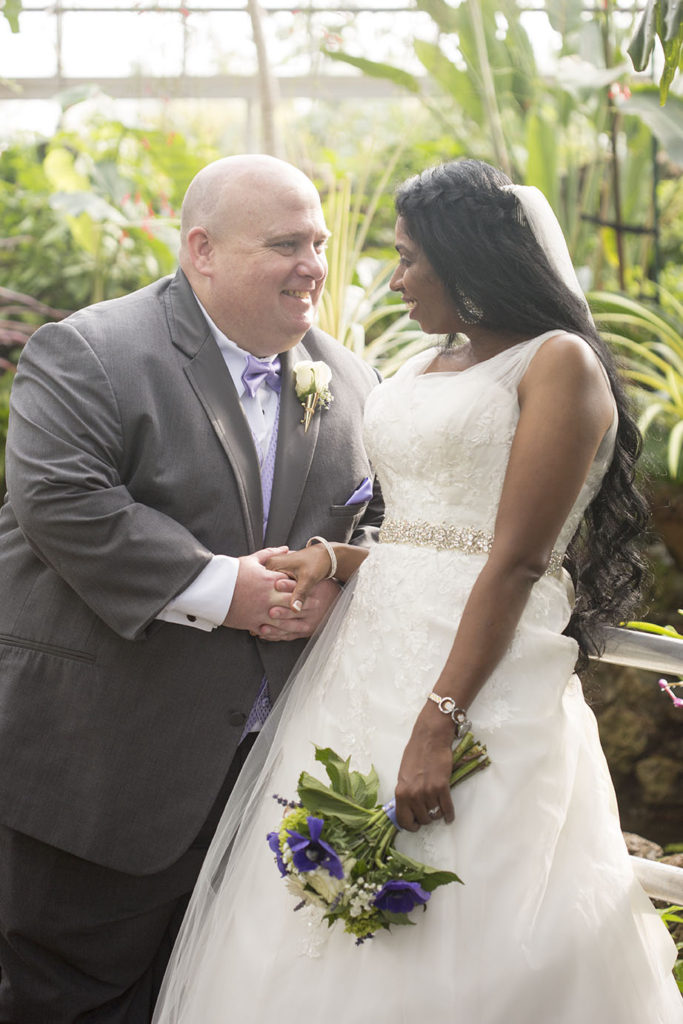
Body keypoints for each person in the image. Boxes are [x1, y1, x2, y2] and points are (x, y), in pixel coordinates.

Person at [152, 159, 683, 1024]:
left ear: (464, 259)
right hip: (363, 667)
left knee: (469, 904)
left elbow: (512, 559)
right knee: (309, 902)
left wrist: (439, 721)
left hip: (473, 680)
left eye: (407, 259)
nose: (392, 280)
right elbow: (427, 536)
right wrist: (334, 557)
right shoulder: (426, 361)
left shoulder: (558, 366)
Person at [0, 154, 383, 1022]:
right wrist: (222, 589)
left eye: (318, 242)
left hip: (265, 797)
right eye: (285, 243)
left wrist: (332, 575)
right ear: (201, 250)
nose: (314, 265)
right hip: (104, 775)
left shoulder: (352, 381)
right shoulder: (90, 350)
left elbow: (384, 527)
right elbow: (61, 500)